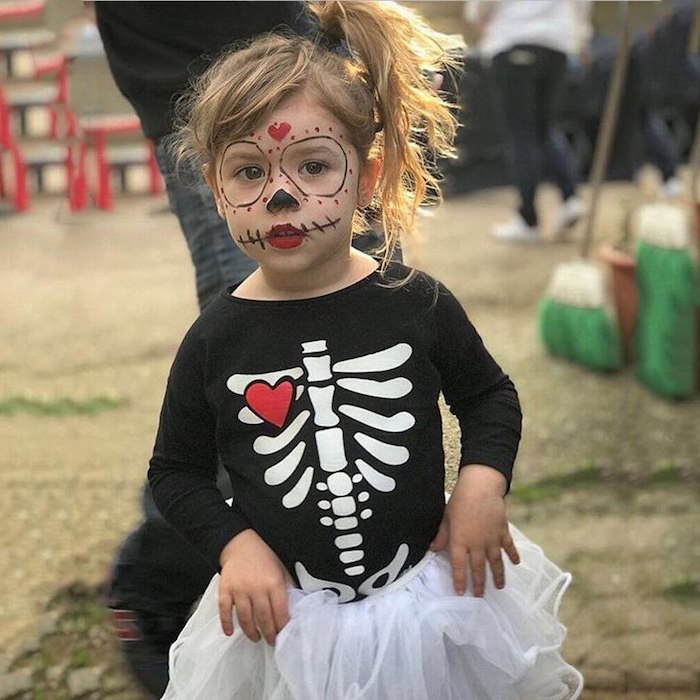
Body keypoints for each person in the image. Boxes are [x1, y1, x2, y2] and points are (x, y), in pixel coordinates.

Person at [148, 3, 583, 698]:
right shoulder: (215, 340)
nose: (282, 197)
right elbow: (176, 471)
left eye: (314, 165)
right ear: (214, 189)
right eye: (249, 173)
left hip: (432, 606)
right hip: (291, 633)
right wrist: (235, 544)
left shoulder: (415, 301)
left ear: (371, 175)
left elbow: (487, 394)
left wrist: (481, 481)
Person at [92, 3, 315, 695]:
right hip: (208, 101)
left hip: (302, 86)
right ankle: (157, 578)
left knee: (327, 348)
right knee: (255, 366)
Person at [465, 0, 590, 242]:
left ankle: (528, 219)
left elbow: (481, 7)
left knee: (520, 132)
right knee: (543, 127)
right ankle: (570, 196)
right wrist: (581, 36)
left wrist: (477, 15)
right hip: (557, 43)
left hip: (515, 37)